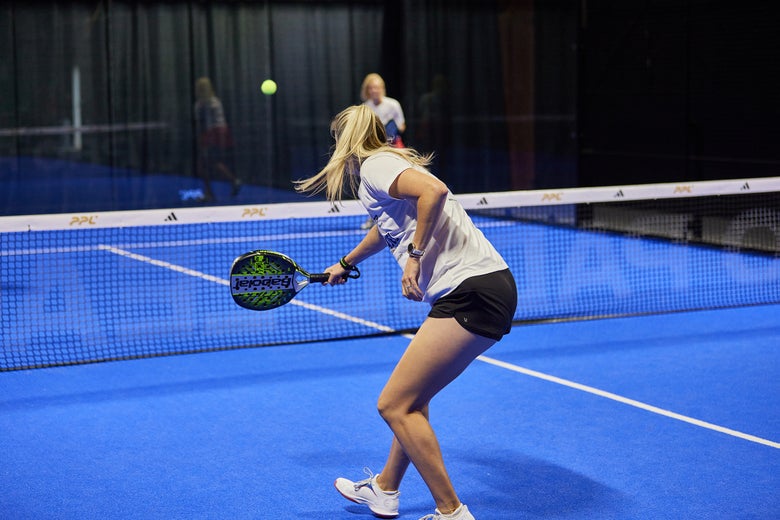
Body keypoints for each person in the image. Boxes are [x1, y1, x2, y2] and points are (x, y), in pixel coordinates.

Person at [295, 105, 517, 520]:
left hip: (471, 291)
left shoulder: (378, 164)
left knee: (393, 405)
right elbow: (388, 225)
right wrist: (345, 262)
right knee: (414, 399)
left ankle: (451, 511)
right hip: (483, 288)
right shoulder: (384, 169)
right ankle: (385, 489)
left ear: (344, 140)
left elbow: (434, 192)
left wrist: (415, 257)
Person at [359, 72, 406, 228]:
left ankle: (401, 216)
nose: (375, 90)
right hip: (373, 151)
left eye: (377, 87)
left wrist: (390, 130)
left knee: (398, 183)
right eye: (371, 88)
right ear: (367, 90)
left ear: (382, 89)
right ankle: (372, 217)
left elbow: (402, 126)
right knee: (372, 184)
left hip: (394, 149)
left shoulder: (393, 105)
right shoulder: (364, 108)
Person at [193, 76, 241, 202]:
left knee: (209, 163)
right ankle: (210, 192)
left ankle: (233, 181)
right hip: (213, 134)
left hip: (215, 134)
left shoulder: (210, 103)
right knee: (205, 164)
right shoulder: (203, 104)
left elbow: (203, 122)